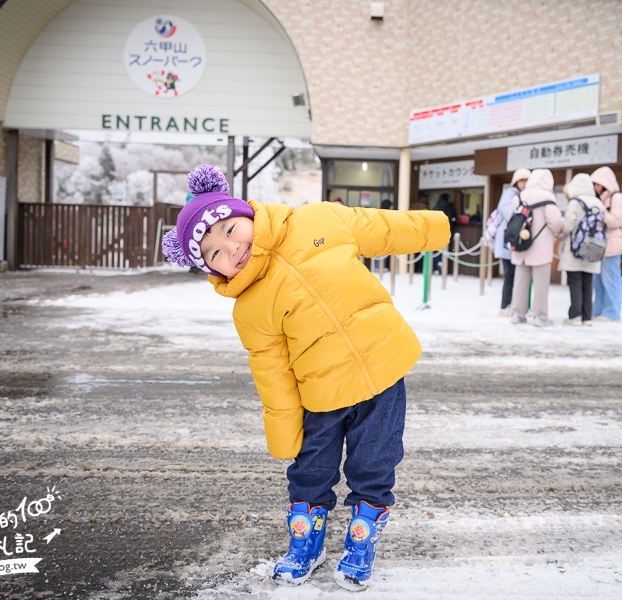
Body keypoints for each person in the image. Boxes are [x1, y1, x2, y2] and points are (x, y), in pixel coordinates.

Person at [161, 165, 450, 591]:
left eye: (227, 228)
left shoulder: (317, 220)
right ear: (210, 269)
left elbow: (384, 228)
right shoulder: (250, 307)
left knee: (374, 463)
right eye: (214, 253)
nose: (231, 248)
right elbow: (272, 373)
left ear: (243, 211)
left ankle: (361, 540)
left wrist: (436, 227)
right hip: (322, 395)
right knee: (310, 471)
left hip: (383, 369)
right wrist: (284, 435)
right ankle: (306, 540)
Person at [509, 168, 563, 327]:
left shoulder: (520, 196)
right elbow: (555, 222)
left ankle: (517, 314)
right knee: (540, 284)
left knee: (520, 282)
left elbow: (510, 218)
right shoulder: (548, 197)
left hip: (520, 245)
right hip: (541, 247)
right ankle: (540, 317)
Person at [557, 173, 603, 326]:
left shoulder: (575, 202)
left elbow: (569, 225)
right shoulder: (598, 202)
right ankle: (587, 317)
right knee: (587, 283)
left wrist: (563, 230)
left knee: (575, 282)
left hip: (575, 249)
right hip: (593, 247)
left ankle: (575, 316)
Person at [590, 166, 622, 322]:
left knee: (610, 279)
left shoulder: (618, 198)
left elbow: (615, 220)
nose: (595, 187)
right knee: (597, 280)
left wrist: (600, 211)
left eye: (597, 183)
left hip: (612, 245)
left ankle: (612, 313)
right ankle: (598, 309)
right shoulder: (601, 199)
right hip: (599, 244)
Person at [492, 168, 531, 316]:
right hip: (508, 242)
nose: (524, 183)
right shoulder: (510, 195)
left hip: (514, 242)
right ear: (516, 182)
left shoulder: (521, 195)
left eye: (527, 180)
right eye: (522, 180)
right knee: (510, 276)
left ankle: (513, 306)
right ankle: (505, 306)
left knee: (514, 276)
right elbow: (510, 215)